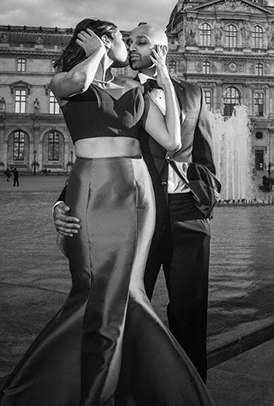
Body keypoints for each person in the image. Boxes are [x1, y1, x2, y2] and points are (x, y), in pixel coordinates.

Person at [0, 18, 211, 405]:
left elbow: (178, 142)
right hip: (96, 192)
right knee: (98, 290)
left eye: (137, 40)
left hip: (148, 200)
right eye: (121, 38)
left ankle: (154, 388)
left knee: (152, 302)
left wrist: (162, 75)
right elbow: (78, 86)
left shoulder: (150, 91)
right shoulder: (69, 82)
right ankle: (100, 387)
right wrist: (97, 51)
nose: (128, 44)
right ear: (97, 41)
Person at [52, 22, 219, 382]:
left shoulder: (192, 93)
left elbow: (202, 152)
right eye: (130, 41)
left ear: (163, 49)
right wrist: (63, 204)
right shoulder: (121, 90)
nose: (133, 46)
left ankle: (190, 391)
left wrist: (206, 197)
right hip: (136, 215)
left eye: (142, 41)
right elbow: (97, 156)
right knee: (123, 304)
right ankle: (122, 386)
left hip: (188, 215)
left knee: (191, 315)